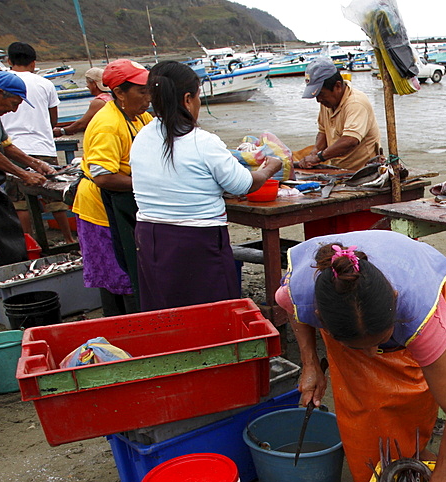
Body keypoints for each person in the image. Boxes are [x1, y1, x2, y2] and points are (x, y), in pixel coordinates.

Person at [276, 229, 446, 482]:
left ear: (395, 302)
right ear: (321, 317)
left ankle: (424, 466)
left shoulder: (418, 311)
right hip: (348, 312)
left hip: (407, 277)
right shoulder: (301, 292)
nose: (372, 354)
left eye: (380, 342)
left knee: (417, 399)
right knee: (364, 413)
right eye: (360, 347)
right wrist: (311, 364)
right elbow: (295, 312)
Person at [130, 61, 281, 311]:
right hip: (196, 241)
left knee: (165, 310)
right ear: (188, 99)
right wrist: (270, 167)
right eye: (199, 97)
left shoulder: (142, 136)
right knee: (212, 314)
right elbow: (243, 184)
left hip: (150, 236)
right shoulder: (202, 141)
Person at [71, 59, 151, 316]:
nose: (149, 97)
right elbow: (103, 176)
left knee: (132, 270)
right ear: (119, 92)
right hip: (101, 209)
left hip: (125, 205)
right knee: (117, 274)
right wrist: (152, 184)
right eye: (142, 91)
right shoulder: (107, 123)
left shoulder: (140, 116)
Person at [1, 42, 73, 244]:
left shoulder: (1, 84)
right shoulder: (45, 84)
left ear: (9, 61)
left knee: (19, 202)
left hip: (11, 149)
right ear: (33, 63)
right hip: (43, 146)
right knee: (54, 197)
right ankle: (68, 240)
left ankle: (29, 242)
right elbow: (53, 120)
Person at [0, 71, 50, 268]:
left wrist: (35, 163)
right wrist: (24, 174)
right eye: (13, 104)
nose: (13, 110)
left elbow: (6, 147)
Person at [294, 57, 379, 171]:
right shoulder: (327, 102)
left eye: (322, 94)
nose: (318, 100)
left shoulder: (356, 103)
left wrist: (319, 157)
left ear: (338, 86)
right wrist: (314, 152)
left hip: (363, 170)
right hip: (337, 168)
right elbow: (323, 131)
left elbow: (350, 140)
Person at [54, 67, 111, 137]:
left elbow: (82, 124)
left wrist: (62, 131)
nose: (87, 86)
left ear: (94, 84)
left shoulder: (99, 102)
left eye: (88, 83)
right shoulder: (110, 97)